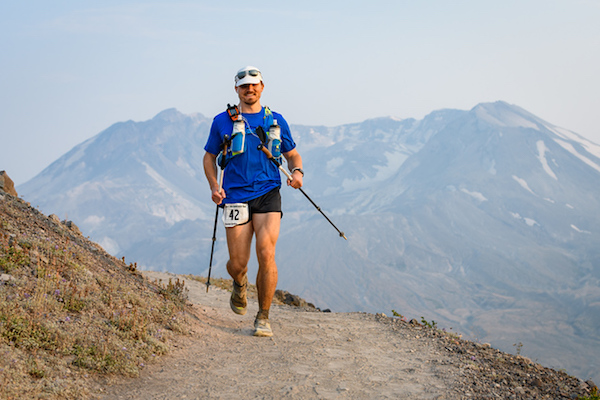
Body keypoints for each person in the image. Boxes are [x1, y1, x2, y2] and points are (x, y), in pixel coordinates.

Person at [203, 66, 304, 337]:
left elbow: (293, 155)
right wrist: (215, 186)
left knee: (266, 252)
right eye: (244, 86)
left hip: (269, 192)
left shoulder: (276, 120)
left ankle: (264, 316)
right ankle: (239, 282)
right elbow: (209, 157)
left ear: (262, 87)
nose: (250, 90)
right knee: (238, 263)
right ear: (236, 89)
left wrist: (297, 173)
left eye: (254, 85)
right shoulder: (221, 121)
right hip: (234, 195)